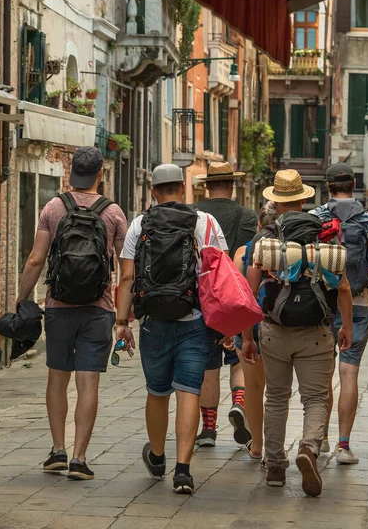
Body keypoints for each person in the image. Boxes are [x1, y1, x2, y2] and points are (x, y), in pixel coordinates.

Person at [17, 146, 128, 481]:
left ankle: (57, 451)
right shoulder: (113, 213)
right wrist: (125, 315)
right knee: (88, 381)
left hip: (58, 306)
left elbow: (36, 259)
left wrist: (20, 300)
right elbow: (127, 270)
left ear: (71, 173)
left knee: (57, 377)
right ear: (100, 174)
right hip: (99, 309)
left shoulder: (53, 207)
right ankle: (80, 458)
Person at [116, 164, 228, 495]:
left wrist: (122, 323)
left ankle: (158, 456)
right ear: (183, 188)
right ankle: (183, 471)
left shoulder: (139, 224)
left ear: (153, 191)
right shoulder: (204, 221)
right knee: (189, 391)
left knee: (157, 391)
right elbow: (218, 272)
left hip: (153, 323)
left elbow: (125, 278)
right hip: (195, 320)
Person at [242, 169, 353, 497]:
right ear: (304, 199)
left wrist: (247, 337)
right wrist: (346, 326)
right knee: (316, 397)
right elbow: (343, 287)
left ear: (275, 200)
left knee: (276, 397)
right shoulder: (326, 234)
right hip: (317, 331)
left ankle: (275, 465)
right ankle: (308, 446)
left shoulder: (265, 237)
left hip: (274, 330)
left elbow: (250, 293)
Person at [311, 163, 368, 464]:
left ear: (327, 185)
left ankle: (322, 438)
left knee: (323, 374)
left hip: (322, 304)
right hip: (358, 304)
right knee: (349, 373)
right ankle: (344, 446)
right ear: (353, 183)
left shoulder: (315, 218)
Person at [193, 161, 258, 448]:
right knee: (238, 360)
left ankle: (208, 429)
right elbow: (246, 258)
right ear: (232, 185)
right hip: (235, 296)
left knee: (208, 367)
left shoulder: (193, 214)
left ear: (207, 185)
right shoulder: (247, 216)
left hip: (203, 297)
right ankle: (239, 404)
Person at [232, 202, 278, 467]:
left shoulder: (244, 251)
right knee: (277, 390)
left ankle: (258, 445)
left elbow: (239, 295)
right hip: (279, 323)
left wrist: (237, 333)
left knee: (254, 387)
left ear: (259, 225)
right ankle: (274, 449)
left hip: (252, 326)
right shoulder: (289, 248)